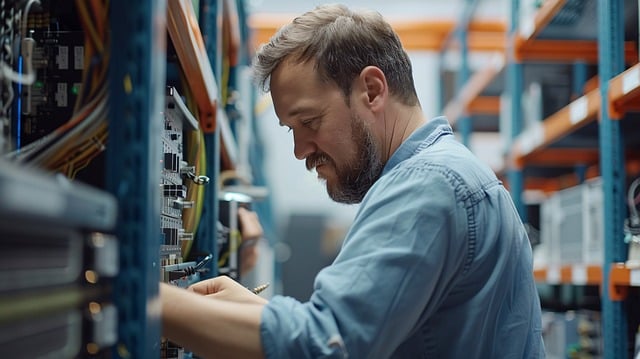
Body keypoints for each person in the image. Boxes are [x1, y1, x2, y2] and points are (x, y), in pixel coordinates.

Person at [160, 3, 544, 358]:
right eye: (291, 130)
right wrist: (256, 313)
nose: (299, 150)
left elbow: (327, 345)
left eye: (309, 122)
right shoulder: (447, 175)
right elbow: (371, 331)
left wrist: (146, 298)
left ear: (372, 90)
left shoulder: (428, 185)